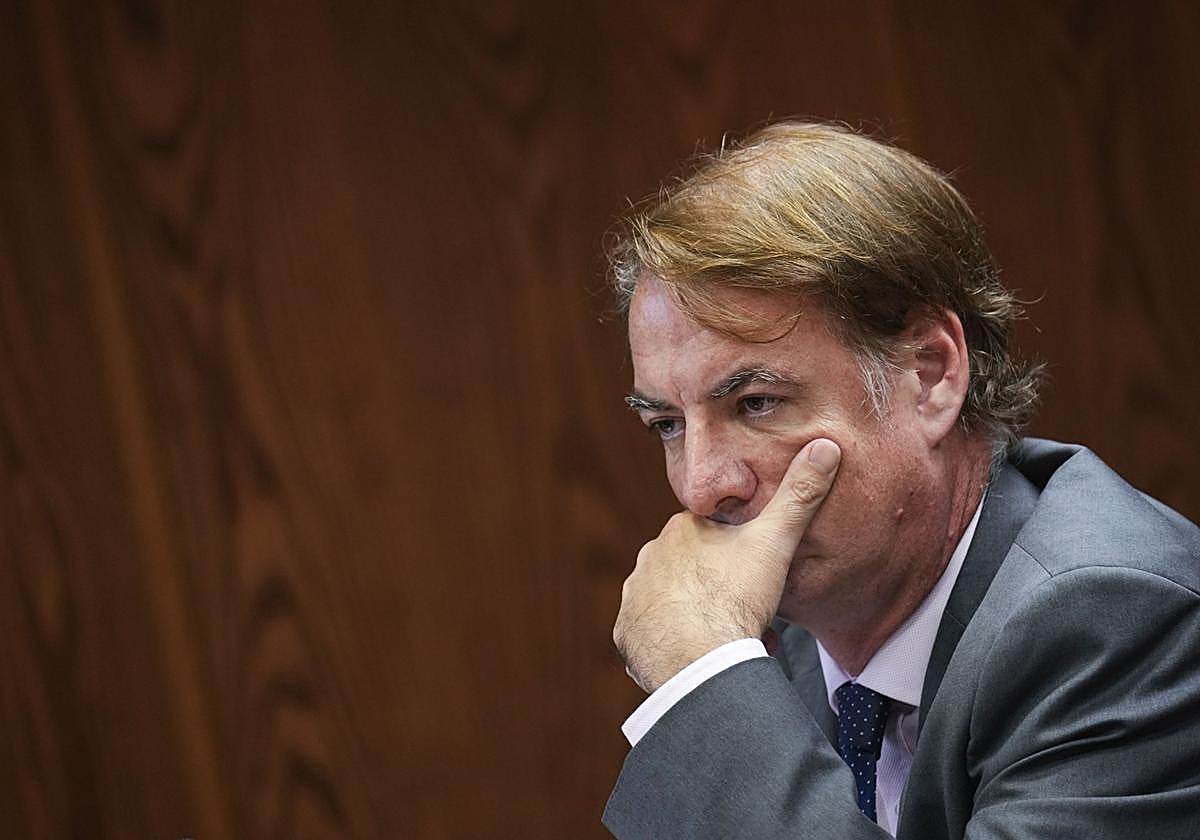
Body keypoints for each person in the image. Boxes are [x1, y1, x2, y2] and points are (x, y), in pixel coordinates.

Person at [603, 122, 1200, 839]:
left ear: (930, 375)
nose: (702, 488)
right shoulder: (793, 634)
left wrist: (702, 678)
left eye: (757, 404)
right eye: (667, 424)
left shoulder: (1112, 618)